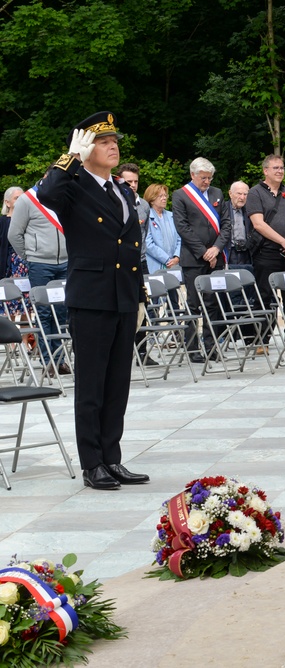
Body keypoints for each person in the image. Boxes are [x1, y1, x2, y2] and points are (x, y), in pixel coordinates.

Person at [36, 111, 149, 490]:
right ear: (86, 149)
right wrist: (67, 159)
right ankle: (92, 463)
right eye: (103, 141)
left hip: (122, 295)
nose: (112, 145)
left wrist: (140, 295)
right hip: (92, 297)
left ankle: (111, 458)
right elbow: (46, 194)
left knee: (118, 383)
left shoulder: (122, 188)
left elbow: (132, 246)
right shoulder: (73, 185)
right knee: (92, 385)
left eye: (114, 140)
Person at [8, 169, 70, 375]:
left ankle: (61, 359)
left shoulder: (64, 196)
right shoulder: (28, 200)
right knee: (43, 313)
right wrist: (29, 255)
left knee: (62, 313)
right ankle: (48, 361)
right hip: (40, 264)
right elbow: (14, 234)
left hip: (66, 262)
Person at [247, 154, 285, 354]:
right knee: (265, 297)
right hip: (267, 252)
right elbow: (258, 224)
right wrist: (284, 242)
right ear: (265, 171)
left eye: (282, 167)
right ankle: (261, 340)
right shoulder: (255, 193)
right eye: (275, 168)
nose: (280, 171)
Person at [172, 157, 232, 364]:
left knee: (213, 302)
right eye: (203, 178)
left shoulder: (217, 193)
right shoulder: (181, 195)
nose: (207, 182)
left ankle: (212, 346)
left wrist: (216, 249)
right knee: (194, 303)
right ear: (193, 175)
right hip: (194, 259)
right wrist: (203, 251)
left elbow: (226, 225)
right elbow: (183, 227)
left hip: (216, 256)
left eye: (209, 178)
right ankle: (192, 348)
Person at [143, 184, 180, 274]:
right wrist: (167, 259)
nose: (164, 198)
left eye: (165, 195)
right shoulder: (146, 216)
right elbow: (148, 243)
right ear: (151, 200)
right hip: (155, 265)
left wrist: (177, 257)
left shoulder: (172, 216)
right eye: (160, 196)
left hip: (175, 265)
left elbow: (180, 238)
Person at [222, 181, 253, 269]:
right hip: (229, 251)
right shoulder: (222, 210)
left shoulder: (251, 210)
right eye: (239, 194)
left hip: (247, 253)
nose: (242, 197)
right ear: (230, 194)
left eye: (245, 194)